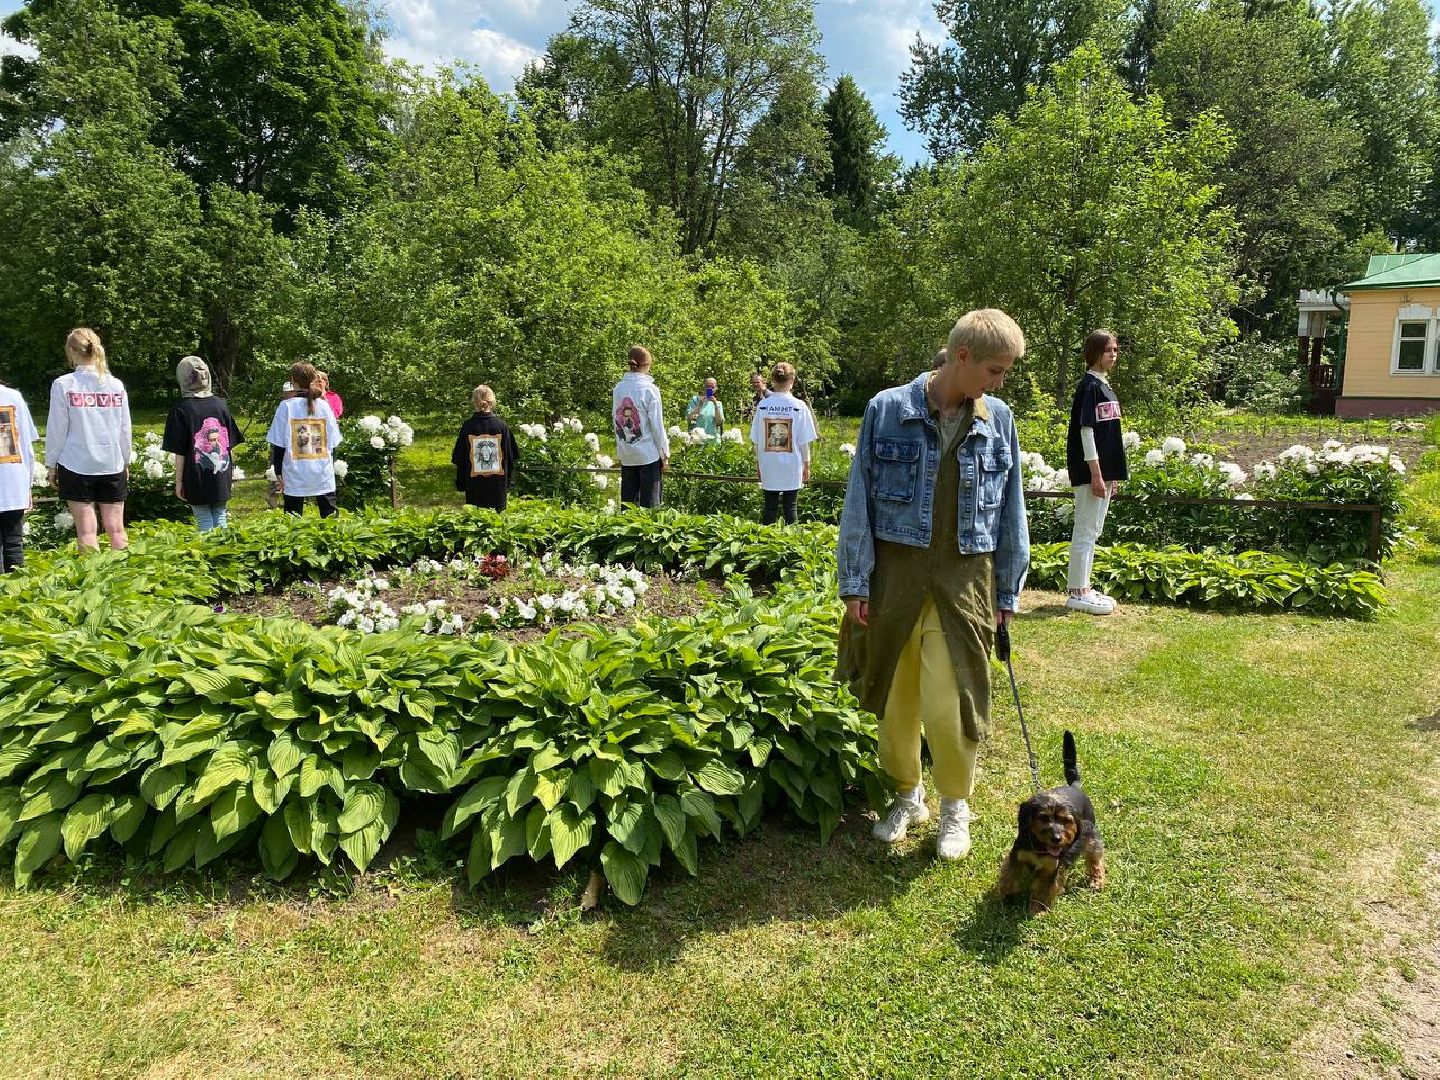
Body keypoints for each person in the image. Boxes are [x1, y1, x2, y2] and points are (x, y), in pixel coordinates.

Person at [836, 308, 1030, 861]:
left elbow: (1011, 512)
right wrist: (856, 580)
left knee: (953, 703)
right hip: (893, 580)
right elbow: (860, 502)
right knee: (895, 702)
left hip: (965, 580)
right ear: (962, 357)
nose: (1000, 382)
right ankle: (906, 795)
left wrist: (1007, 592)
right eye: (995, 370)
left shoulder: (1000, 420)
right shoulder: (886, 410)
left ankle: (954, 807)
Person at [45, 328, 133, 552]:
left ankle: (92, 582)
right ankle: (126, 579)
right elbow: (125, 429)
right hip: (111, 462)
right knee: (117, 529)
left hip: (76, 462)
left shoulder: (64, 385)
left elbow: (57, 429)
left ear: (72, 352)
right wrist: (125, 460)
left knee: (86, 531)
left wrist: (51, 463)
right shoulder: (116, 385)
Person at [1064, 330, 1128, 615]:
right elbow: (1086, 431)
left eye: (1115, 350)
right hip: (1090, 472)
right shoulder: (1089, 386)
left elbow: (1109, 434)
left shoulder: (1105, 386)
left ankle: (1085, 587)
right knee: (1085, 529)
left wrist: (1110, 475)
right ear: (1093, 352)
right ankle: (1076, 592)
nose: (1113, 355)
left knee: (1094, 529)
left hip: (1105, 472)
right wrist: (1096, 474)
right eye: (1107, 350)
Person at [161, 356, 245, 534]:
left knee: (203, 518)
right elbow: (229, 443)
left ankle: (209, 556)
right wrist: (231, 472)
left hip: (196, 474)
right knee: (220, 514)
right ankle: (224, 554)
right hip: (221, 472)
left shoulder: (181, 409)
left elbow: (180, 451)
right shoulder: (220, 405)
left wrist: (178, 482)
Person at [267, 361, 342, 517]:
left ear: (293, 380)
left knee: (294, 520)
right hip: (322, 471)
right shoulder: (324, 406)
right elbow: (334, 442)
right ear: (313, 379)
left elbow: (278, 444)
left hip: (295, 472)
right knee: (330, 518)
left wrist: (278, 471)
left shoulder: (286, 406)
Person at [751, 362, 817, 525]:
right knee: (791, 508)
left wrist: (758, 464)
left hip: (768, 462)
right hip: (792, 463)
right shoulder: (799, 406)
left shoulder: (763, 405)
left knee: (770, 508)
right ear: (792, 381)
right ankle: (792, 545)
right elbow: (803, 441)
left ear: (772, 382)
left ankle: (765, 544)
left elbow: (758, 440)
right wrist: (806, 464)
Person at [611, 346, 670, 508]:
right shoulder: (649, 389)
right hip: (648, 455)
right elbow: (657, 425)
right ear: (648, 365)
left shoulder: (618, 388)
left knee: (628, 506)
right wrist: (664, 454)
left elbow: (616, 419)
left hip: (627, 452)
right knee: (650, 507)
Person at [452, 384, 519, 511]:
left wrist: (461, 484)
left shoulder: (468, 427)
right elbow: (511, 457)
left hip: (474, 488)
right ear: (492, 401)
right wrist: (509, 482)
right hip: (498, 489)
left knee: (476, 524)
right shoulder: (501, 426)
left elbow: (459, 458)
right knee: (497, 525)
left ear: (474, 402)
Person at [0, 376, 39, 571]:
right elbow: (27, 447)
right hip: (13, 482)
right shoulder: (13, 397)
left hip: (12, 483)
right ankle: (16, 593)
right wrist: (27, 484)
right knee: (14, 542)